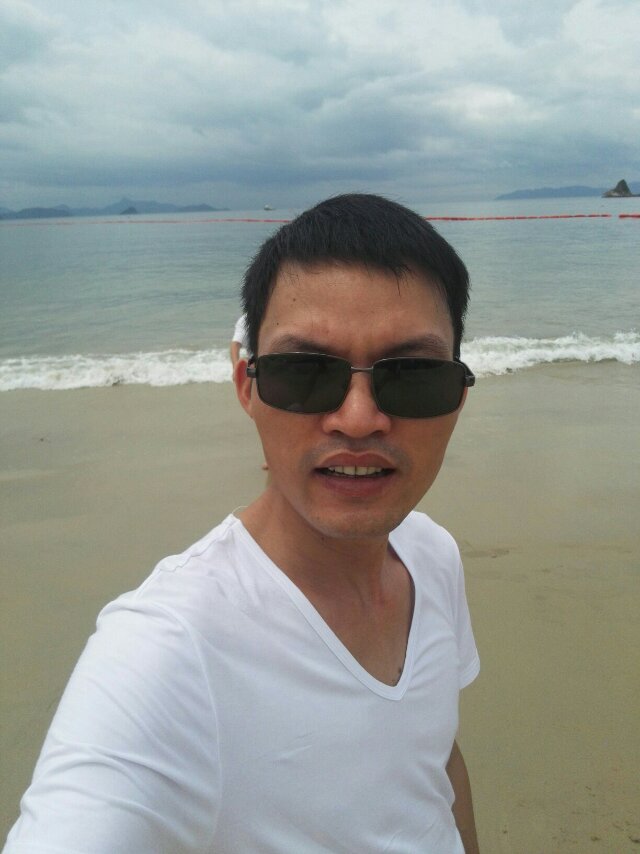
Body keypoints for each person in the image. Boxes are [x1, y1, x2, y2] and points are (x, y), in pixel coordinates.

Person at [4, 193, 480, 853]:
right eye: (304, 373)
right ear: (246, 387)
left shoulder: (433, 556)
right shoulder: (169, 650)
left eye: (414, 375)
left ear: (458, 393)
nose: (358, 419)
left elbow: (436, 763)